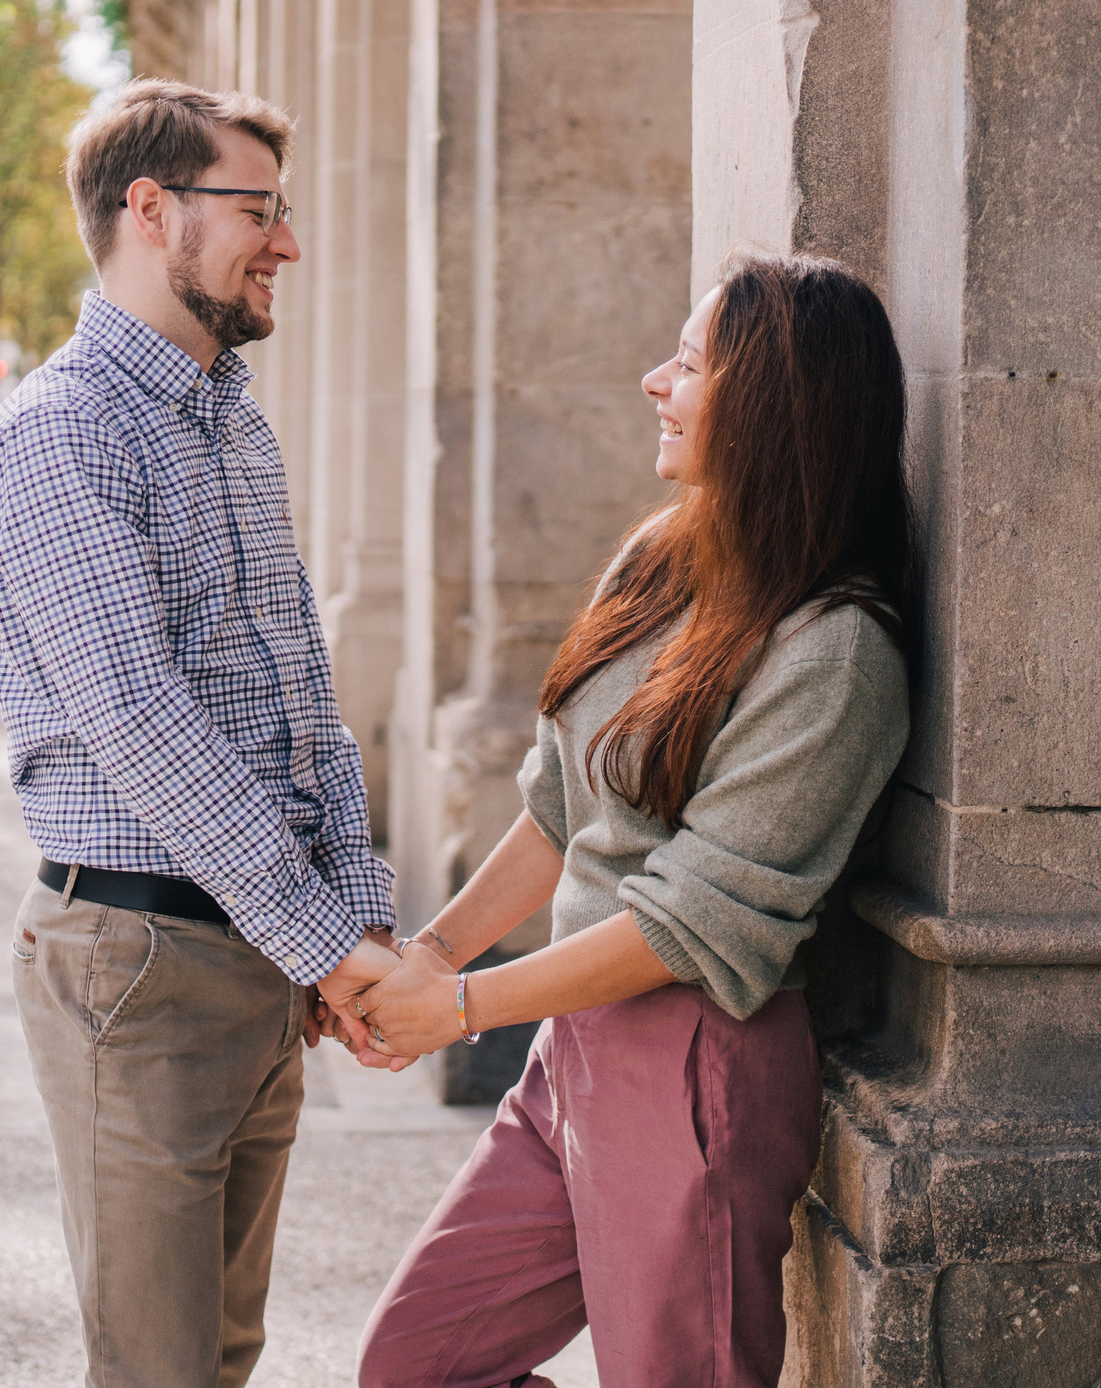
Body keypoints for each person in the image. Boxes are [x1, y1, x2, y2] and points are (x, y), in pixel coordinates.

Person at [348, 247, 917, 1388]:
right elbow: (561, 803)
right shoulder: (661, 560)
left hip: (696, 1066)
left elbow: (691, 926)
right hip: (572, 1048)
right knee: (412, 1367)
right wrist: (431, 953)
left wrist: (456, 1009)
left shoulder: (835, 653)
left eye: (690, 362)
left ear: (771, 405)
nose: (654, 381)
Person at [0, 78, 403, 1387]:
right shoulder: (59, 435)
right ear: (151, 210)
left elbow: (298, 696)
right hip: (138, 966)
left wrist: (354, 914)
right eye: (258, 208)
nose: (289, 242)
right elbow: (146, 730)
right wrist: (331, 943)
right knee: (156, 1369)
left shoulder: (231, 421)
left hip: (257, 956)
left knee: (221, 1354)